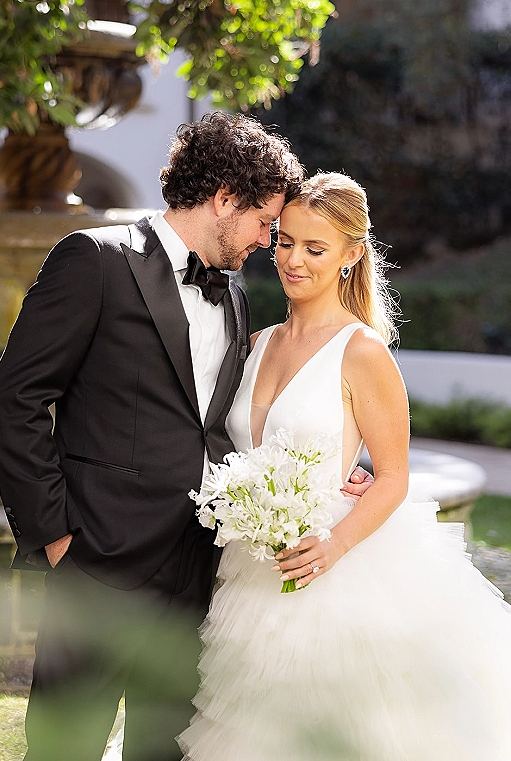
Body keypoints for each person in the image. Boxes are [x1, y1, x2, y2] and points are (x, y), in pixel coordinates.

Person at [0, 113, 372, 761]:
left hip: (198, 569)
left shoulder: (233, 293)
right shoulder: (94, 261)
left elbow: (222, 422)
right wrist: (55, 538)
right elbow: (17, 399)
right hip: (97, 566)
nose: (266, 241)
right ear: (223, 198)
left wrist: (325, 475)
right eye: (263, 222)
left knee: (166, 749)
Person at [178, 172, 511, 761]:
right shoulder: (254, 343)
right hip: (246, 566)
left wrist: (333, 543)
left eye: (315, 248)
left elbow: (393, 475)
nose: (293, 260)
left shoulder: (362, 351)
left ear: (351, 255)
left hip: (333, 566)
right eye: (284, 242)